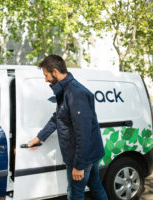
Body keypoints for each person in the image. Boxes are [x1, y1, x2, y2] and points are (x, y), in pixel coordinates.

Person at [28, 55, 108, 200]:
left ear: (55, 72)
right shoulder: (66, 91)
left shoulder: (75, 93)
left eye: (46, 75)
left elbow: (83, 133)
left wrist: (79, 165)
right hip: (88, 153)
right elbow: (57, 118)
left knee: (75, 193)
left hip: (81, 156)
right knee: (95, 184)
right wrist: (39, 137)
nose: (45, 79)